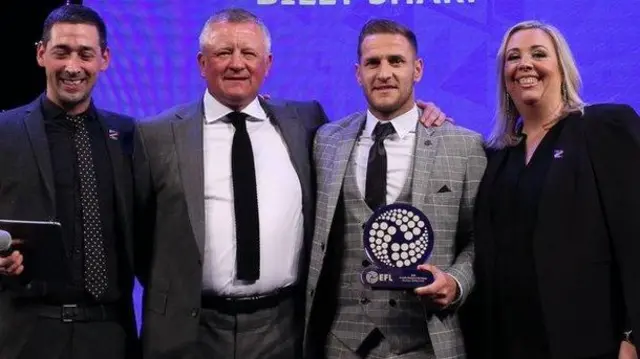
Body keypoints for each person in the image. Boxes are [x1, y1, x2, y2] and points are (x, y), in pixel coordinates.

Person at [135, 8, 448, 359]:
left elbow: (372, 127)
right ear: (201, 62)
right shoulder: (156, 135)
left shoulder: (305, 121)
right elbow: (140, 239)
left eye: (249, 53)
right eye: (223, 52)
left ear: (267, 64)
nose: (237, 64)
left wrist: (418, 115)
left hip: (284, 329)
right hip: (191, 330)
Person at [304, 19, 486, 359]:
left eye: (396, 61)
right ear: (358, 73)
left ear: (417, 69)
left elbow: (482, 238)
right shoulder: (326, 141)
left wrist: (456, 282)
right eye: (373, 63)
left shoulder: (464, 146)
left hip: (427, 341)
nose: (384, 73)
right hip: (342, 344)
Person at [472, 20, 640, 359]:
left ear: (562, 67)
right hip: (510, 342)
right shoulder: (496, 156)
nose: (525, 64)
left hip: (592, 343)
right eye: (512, 57)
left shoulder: (604, 128)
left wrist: (632, 335)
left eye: (538, 54)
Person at [0, 4, 142, 359]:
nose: (73, 66)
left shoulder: (128, 136)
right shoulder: (4, 131)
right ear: (41, 54)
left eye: (85, 54)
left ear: (104, 59)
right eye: (61, 52)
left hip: (110, 334)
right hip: (26, 333)